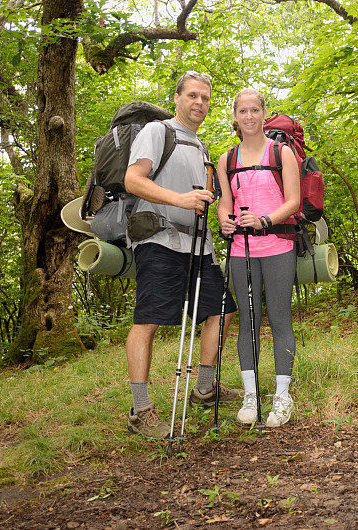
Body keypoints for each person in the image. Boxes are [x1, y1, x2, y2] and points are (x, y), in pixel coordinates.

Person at [123, 71, 238, 439]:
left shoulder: (202, 146)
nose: (199, 103)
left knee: (221, 310)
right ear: (176, 98)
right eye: (192, 95)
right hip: (159, 240)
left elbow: (205, 198)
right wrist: (180, 199)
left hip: (198, 246)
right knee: (149, 320)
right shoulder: (158, 132)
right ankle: (141, 410)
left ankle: (204, 388)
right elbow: (133, 180)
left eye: (205, 97)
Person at [217, 88, 300, 428]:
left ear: (263, 115)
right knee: (247, 322)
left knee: (279, 319)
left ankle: (282, 396)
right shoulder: (227, 159)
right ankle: (250, 396)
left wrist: (266, 220)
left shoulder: (282, 153)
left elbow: (292, 201)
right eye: (242, 111)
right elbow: (225, 201)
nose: (248, 116)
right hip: (241, 250)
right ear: (234, 117)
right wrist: (224, 219)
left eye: (254, 110)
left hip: (278, 245)